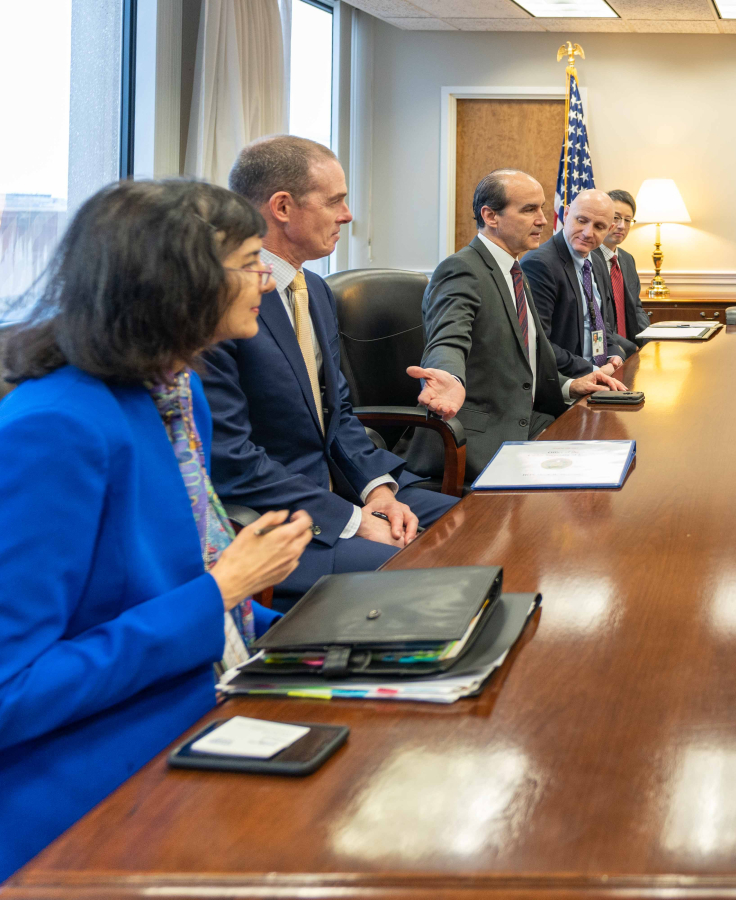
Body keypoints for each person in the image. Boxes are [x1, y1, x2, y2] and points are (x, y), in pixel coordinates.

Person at [0, 180, 313, 879]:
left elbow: (163, 582)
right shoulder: (55, 429)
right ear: (181, 283)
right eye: (250, 261)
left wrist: (273, 616)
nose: (266, 278)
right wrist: (219, 590)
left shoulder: (179, 391)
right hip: (92, 796)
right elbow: (10, 690)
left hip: (206, 704)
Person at [201, 135, 455, 607]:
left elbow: (336, 411)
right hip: (275, 522)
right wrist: (352, 521)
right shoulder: (219, 302)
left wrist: (377, 491)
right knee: (435, 569)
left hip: (345, 491)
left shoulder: (313, 289)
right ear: (282, 206)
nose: (347, 214)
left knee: (476, 525)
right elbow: (232, 460)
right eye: (335, 200)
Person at [411, 170, 626, 483]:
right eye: (529, 210)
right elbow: (448, 339)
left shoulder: (513, 269)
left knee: (613, 460)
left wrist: (569, 385)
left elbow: (526, 360)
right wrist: (449, 376)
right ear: (490, 216)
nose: (542, 219)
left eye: (541, 208)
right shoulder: (462, 269)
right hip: (479, 441)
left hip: (531, 420)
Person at [522, 188, 630, 378]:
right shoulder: (540, 264)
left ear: (609, 229)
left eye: (599, 226)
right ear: (566, 214)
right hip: (565, 383)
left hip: (601, 373)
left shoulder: (596, 261)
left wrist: (613, 353)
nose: (588, 233)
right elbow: (538, 343)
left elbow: (602, 324)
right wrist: (593, 371)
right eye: (581, 220)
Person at [600, 188, 652, 350]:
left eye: (628, 220)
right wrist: (629, 348)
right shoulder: (587, 259)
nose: (622, 226)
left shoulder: (627, 260)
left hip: (631, 349)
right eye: (616, 218)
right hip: (605, 349)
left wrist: (649, 339)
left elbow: (636, 308)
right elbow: (597, 321)